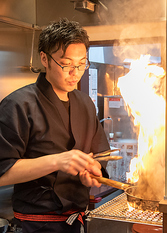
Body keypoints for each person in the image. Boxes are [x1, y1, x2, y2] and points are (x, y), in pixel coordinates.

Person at [0, 18, 110, 233]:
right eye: (67, 64)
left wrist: (94, 170)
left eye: (81, 64)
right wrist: (57, 161)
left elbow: (100, 156)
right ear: (45, 58)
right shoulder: (18, 104)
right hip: (36, 223)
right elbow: (2, 172)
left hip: (76, 219)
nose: (75, 72)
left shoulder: (85, 103)